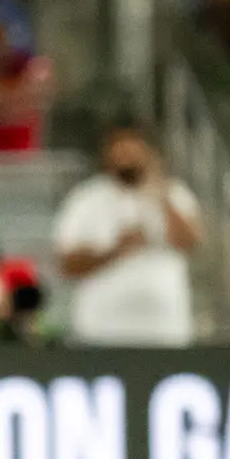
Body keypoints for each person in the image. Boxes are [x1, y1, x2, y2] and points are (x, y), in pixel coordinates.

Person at [52, 122, 202, 346]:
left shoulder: (173, 193)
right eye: (120, 151)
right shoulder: (86, 198)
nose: (127, 158)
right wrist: (115, 251)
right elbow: (67, 264)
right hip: (102, 331)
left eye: (133, 151)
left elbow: (190, 242)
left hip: (166, 330)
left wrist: (161, 195)